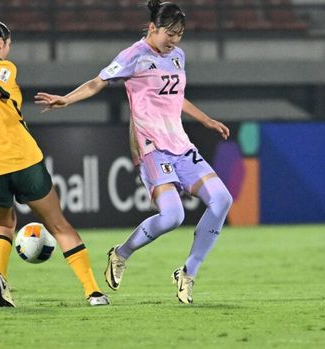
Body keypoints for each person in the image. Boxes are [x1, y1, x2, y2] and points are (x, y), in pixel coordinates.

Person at [35, 0, 233, 304]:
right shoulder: (134, 56)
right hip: (151, 147)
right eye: (170, 33)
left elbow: (175, 97)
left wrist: (206, 120)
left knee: (222, 199)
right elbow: (96, 82)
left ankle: (188, 272)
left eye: (180, 34)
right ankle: (121, 253)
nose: (174, 40)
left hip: (180, 144)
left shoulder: (177, 56)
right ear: (153, 28)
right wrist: (66, 99)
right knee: (173, 216)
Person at [0, 18, 110, 307]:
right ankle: (93, 292)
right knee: (59, 224)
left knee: (2, 225)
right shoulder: (3, 67)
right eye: (8, 43)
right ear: (0, 44)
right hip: (21, 159)